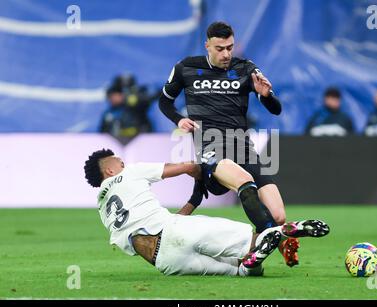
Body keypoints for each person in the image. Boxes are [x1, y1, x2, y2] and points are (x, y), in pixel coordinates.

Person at [159, 21, 301, 267]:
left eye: (230, 47)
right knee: (244, 182)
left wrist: (266, 95)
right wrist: (179, 119)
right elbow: (164, 102)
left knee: (278, 215)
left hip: (243, 148)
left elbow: (276, 110)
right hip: (211, 150)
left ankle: (261, 245)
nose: (226, 54)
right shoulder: (186, 68)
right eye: (220, 48)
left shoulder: (245, 68)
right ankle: (274, 241)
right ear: (208, 45)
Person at [83, 148, 330, 276]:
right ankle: (279, 233)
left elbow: (150, 229)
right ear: (111, 171)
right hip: (175, 229)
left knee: (242, 271)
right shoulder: (131, 172)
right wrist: (202, 171)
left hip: (167, 261)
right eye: (118, 161)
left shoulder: (103, 209)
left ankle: (257, 256)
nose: (123, 162)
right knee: (250, 243)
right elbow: (185, 167)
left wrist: (193, 201)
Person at [100, 74, 160, 144]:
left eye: (118, 93)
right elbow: (102, 136)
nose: (114, 98)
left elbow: (157, 93)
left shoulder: (138, 105)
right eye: (112, 95)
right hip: (117, 145)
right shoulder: (109, 114)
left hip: (142, 142)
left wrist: (134, 98)